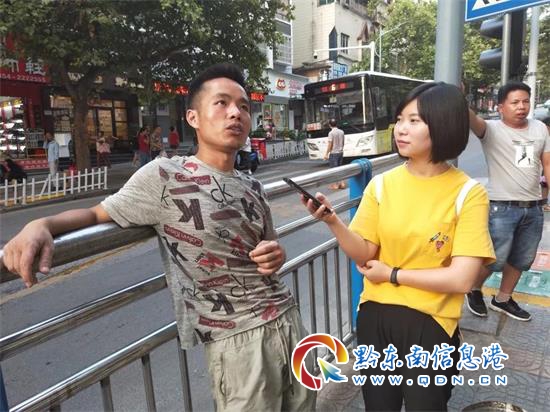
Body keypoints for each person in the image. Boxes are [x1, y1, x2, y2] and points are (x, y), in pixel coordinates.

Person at [2, 63, 315, 412]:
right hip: (237, 340)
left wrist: (275, 253)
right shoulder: (165, 176)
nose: (235, 113)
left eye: (243, 106)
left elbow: (271, 248)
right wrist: (41, 224)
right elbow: (96, 214)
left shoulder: (252, 185)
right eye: (222, 103)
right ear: (193, 118)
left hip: (288, 321)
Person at [299, 82, 494, 411]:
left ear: (444, 123)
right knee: (378, 406)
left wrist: (392, 274)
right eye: (400, 119)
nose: (400, 129)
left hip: (431, 322)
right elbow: (364, 252)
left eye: (414, 121)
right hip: (375, 316)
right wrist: (332, 221)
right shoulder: (382, 185)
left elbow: (462, 279)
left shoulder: (468, 193)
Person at [466, 81, 550, 322]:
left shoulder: (539, 129)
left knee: (522, 258)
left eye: (525, 101)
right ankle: (473, 289)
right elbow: (471, 119)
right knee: (495, 258)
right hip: (501, 207)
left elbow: (547, 163)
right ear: (500, 107)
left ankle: (502, 299)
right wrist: (459, 97)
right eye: (515, 102)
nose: (521, 107)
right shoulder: (491, 129)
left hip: (533, 207)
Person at [323, 118, 346, 189]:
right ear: (336, 124)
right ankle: (342, 183)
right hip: (340, 152)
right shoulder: (341, 132)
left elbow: (330, 144)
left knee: (334, 170)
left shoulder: (331, 133)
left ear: (329, 125)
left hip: (334, 153)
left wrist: (326, 154)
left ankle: (336, 185)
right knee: (340, 168)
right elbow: (343, 143)